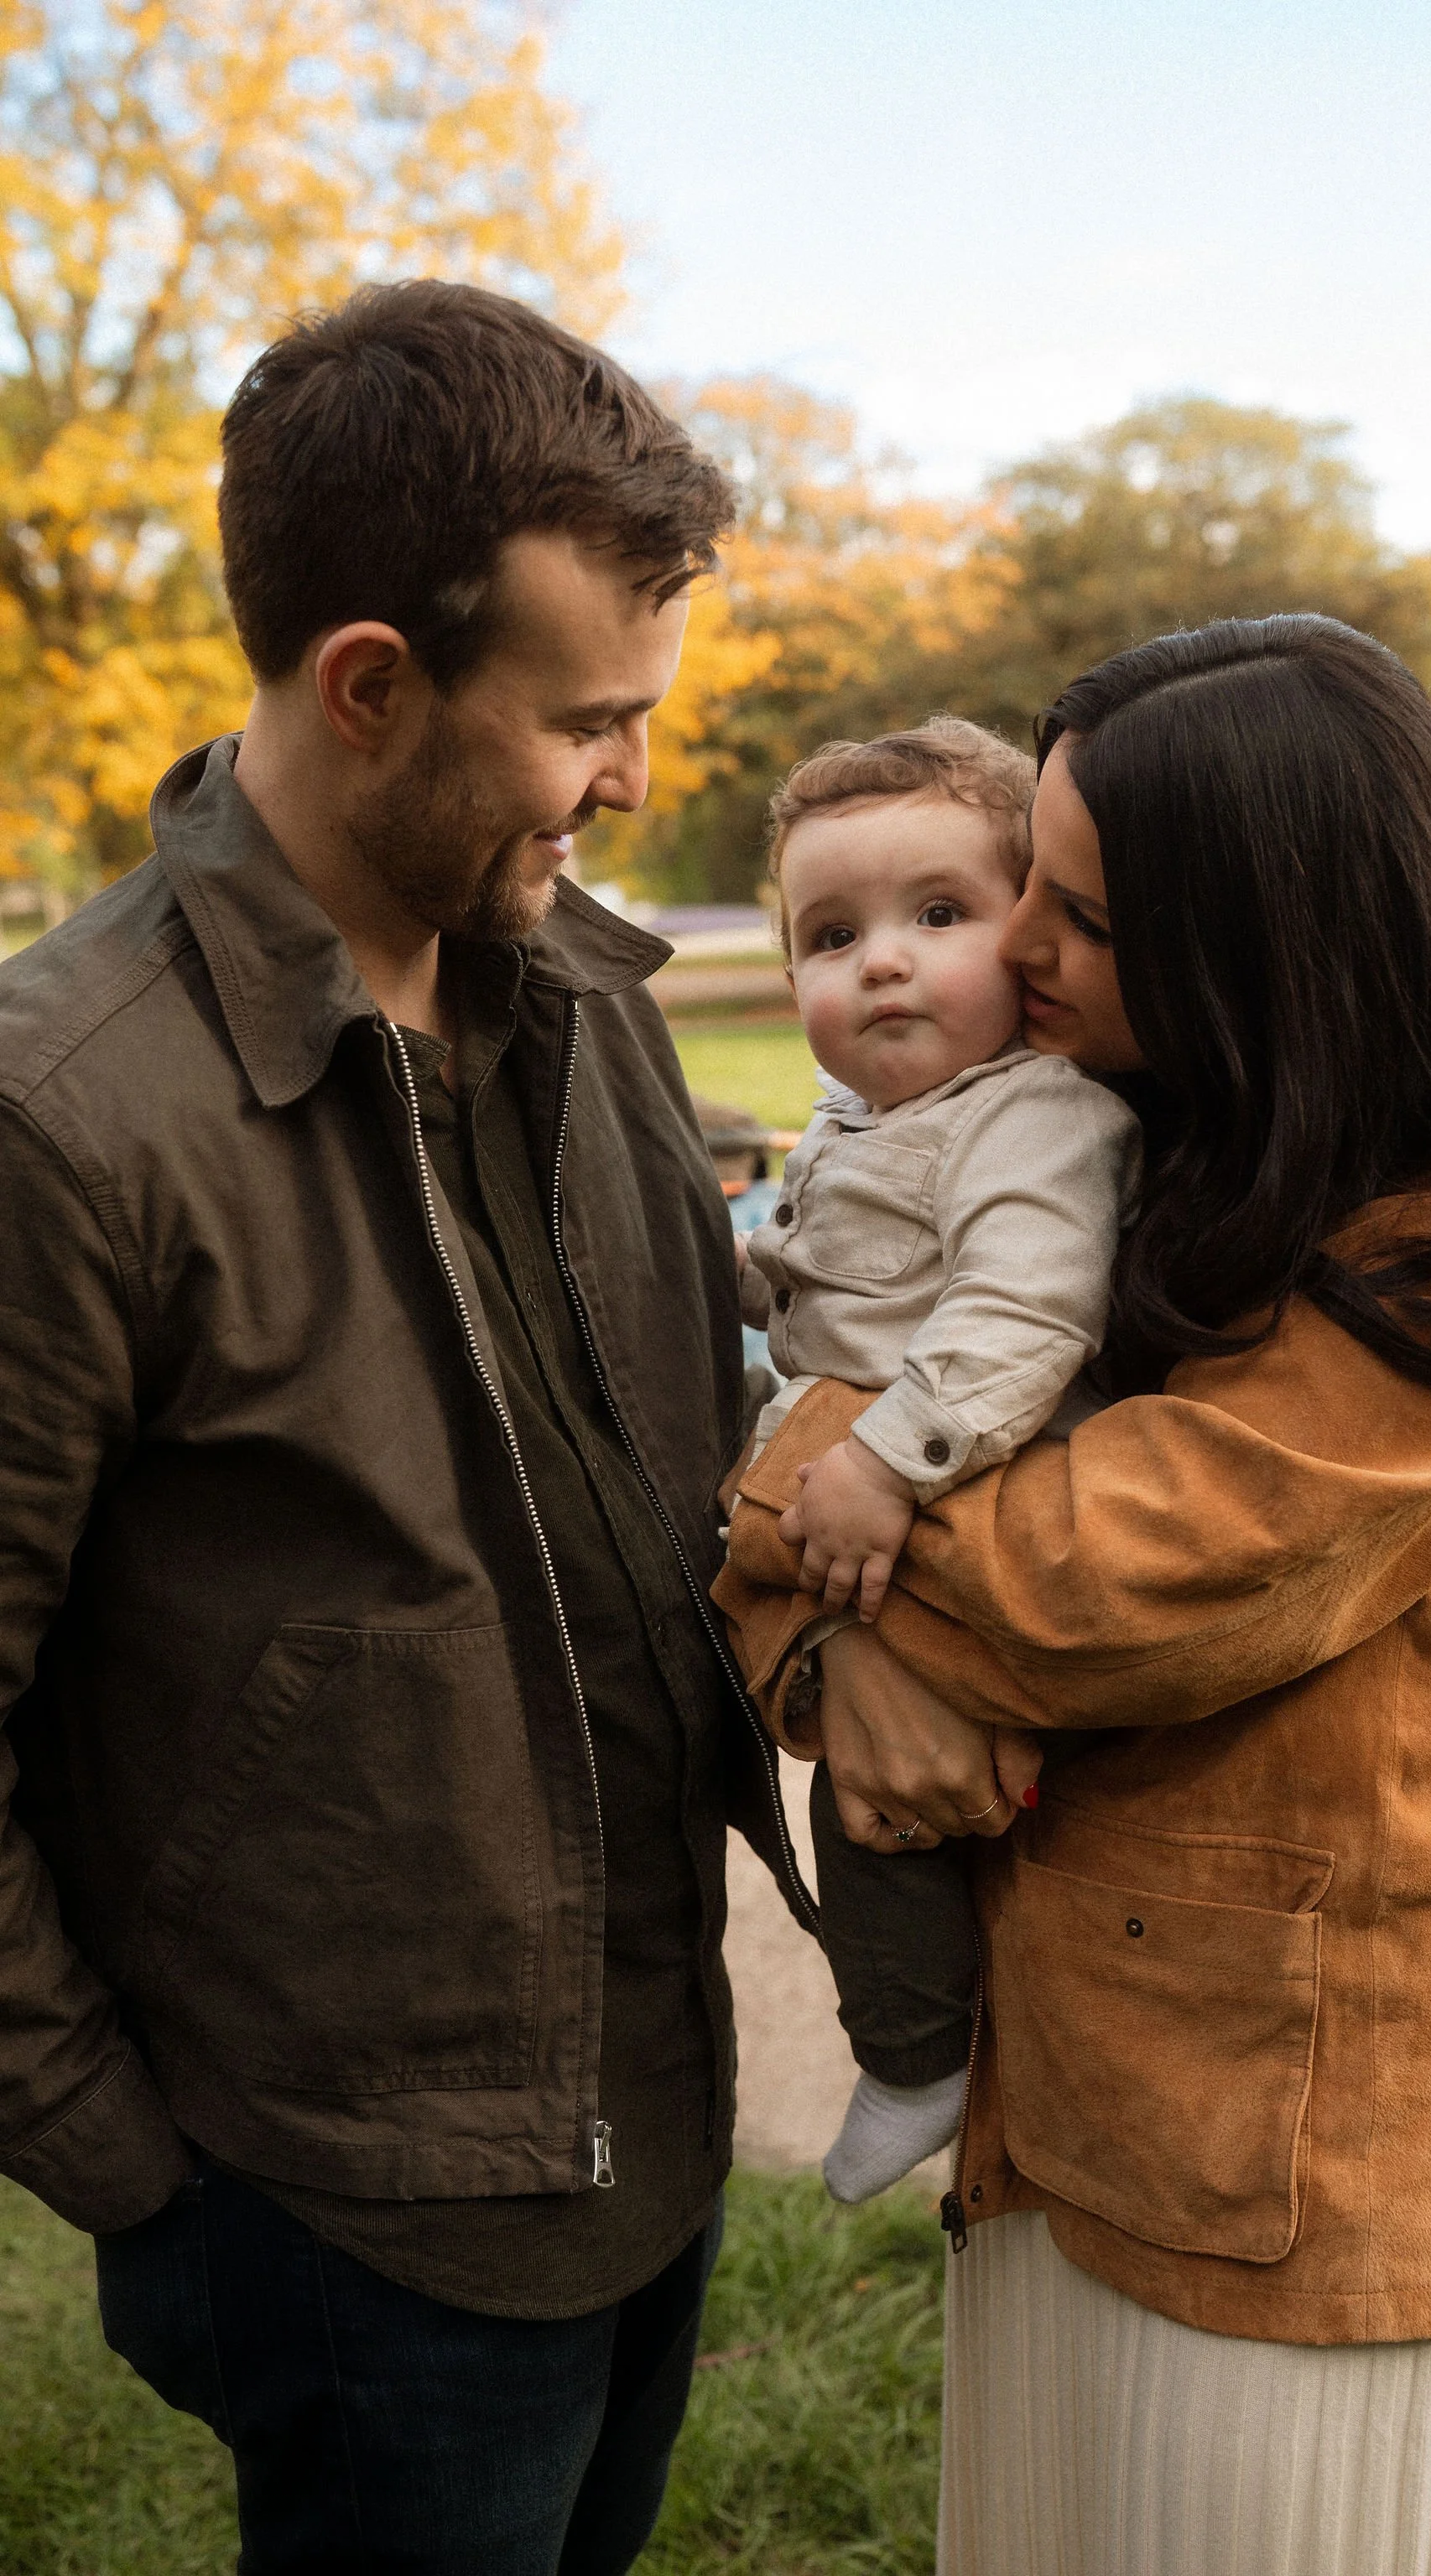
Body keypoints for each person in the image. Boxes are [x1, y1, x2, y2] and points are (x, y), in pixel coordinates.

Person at [716, 615, 1431, 2576]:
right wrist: (830, 1640)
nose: (1012, 955)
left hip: (1308, 2176)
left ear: (1263, 935)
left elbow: (1072, 1585)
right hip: (1077, 2097)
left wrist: (785, 1456)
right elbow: (831, 1561)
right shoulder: (1159, 1149)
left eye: (1067, 916)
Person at [0, 278, 817, 2576]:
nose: (637, 779)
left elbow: (690, 1470)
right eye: (588, 722)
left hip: (642, 2113)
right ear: (370, 684)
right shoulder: (62, 1122)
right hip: (337, 2216)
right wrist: (137, 2172)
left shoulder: (591, 1001)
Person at [735, 719, 1139, 2200]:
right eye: (831, 937)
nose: (882, 962)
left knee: (889, 1806)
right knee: (874, 1784)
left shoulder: (1032, 1112)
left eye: (939, 915)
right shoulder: (869, 1118)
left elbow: (1029, 1303)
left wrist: (890, 1460)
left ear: (1028, 941)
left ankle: (913, 2054)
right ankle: (922, 2044)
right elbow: (806, 1277)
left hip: (960, 1492)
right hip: (871, 1499)